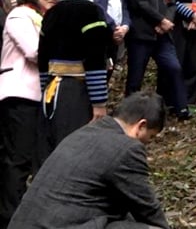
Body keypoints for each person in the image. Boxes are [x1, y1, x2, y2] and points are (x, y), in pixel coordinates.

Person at [8, 91, 171, 229]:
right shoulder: (127, 148)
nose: (146, 144)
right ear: (141, 126)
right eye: (149, 137)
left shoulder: (85, 132)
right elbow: (146, 207)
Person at [0, 0, 63, 227]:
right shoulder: (20, 15)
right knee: (18, 159)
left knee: (36, 157)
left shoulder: (46, 18)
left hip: (40, 96)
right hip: (19, 95)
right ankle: (10, 217)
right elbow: (35, 52)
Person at [37, 0, 111, 160]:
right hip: (76, 90)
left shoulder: (53, 12)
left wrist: (44, 88)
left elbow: (42, 57)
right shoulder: (91, 12)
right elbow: (95, 58)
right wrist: (99, 102)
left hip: (52, 90)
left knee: (53, 145)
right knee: (76, 148)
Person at [122, 0, 189, 121]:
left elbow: (172, 3)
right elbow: (138, 2)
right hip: (141, 34)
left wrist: (166, 20)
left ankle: (181, 108)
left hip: (163, 35)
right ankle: (128, 115)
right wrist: (159, 20)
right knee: (136, 76)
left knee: (174, 68)